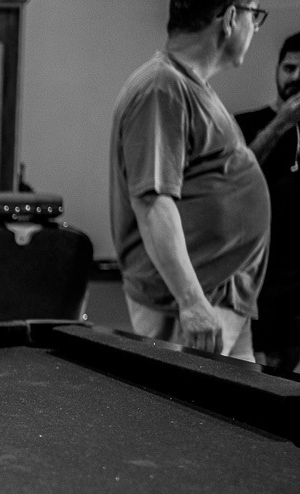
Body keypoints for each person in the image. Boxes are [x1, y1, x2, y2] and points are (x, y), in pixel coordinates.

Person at [109, 0, 271, 360]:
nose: (255, 27)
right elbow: (152, 201)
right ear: (230, 18)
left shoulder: (191, 86)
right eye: (254, 15)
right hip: (187, 303)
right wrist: (192, 301)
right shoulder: (161, 86)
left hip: (222, 294)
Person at [235, 32, 300, 372]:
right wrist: (281, 124)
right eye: (289, 68)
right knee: (266, 371)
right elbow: (235, 179)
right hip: (264, 278)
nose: (296, 77)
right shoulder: (247, 124)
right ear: (277, 70)